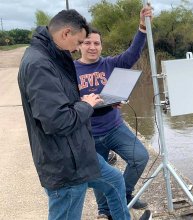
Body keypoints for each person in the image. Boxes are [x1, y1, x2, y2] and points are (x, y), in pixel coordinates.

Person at [18, 9, 151, 220]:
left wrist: (107, 103)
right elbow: (57, 118)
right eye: (82, 42)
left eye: (95, 43)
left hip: (81, 142)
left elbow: (61, 104)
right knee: (79, 196)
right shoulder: (49, 64)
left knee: (117, 177)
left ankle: (120, 208)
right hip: (67, 155)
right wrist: (87, 104)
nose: (84, 47)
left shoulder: (64, 60)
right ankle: (103, 212)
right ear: (66, 34)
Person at [74, 5, 152, 219]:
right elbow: (66, 102)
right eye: (87, 42)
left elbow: (132, 54)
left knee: (140, 157)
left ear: (101, 46)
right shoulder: (70, 70)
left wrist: (142, 27)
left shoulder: (109, 64)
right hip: (89, 133)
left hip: (114, 127)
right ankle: (104, 211)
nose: (92, 47)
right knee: (100, 175)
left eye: (96, 43)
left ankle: (124, 193)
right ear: (80, 45)